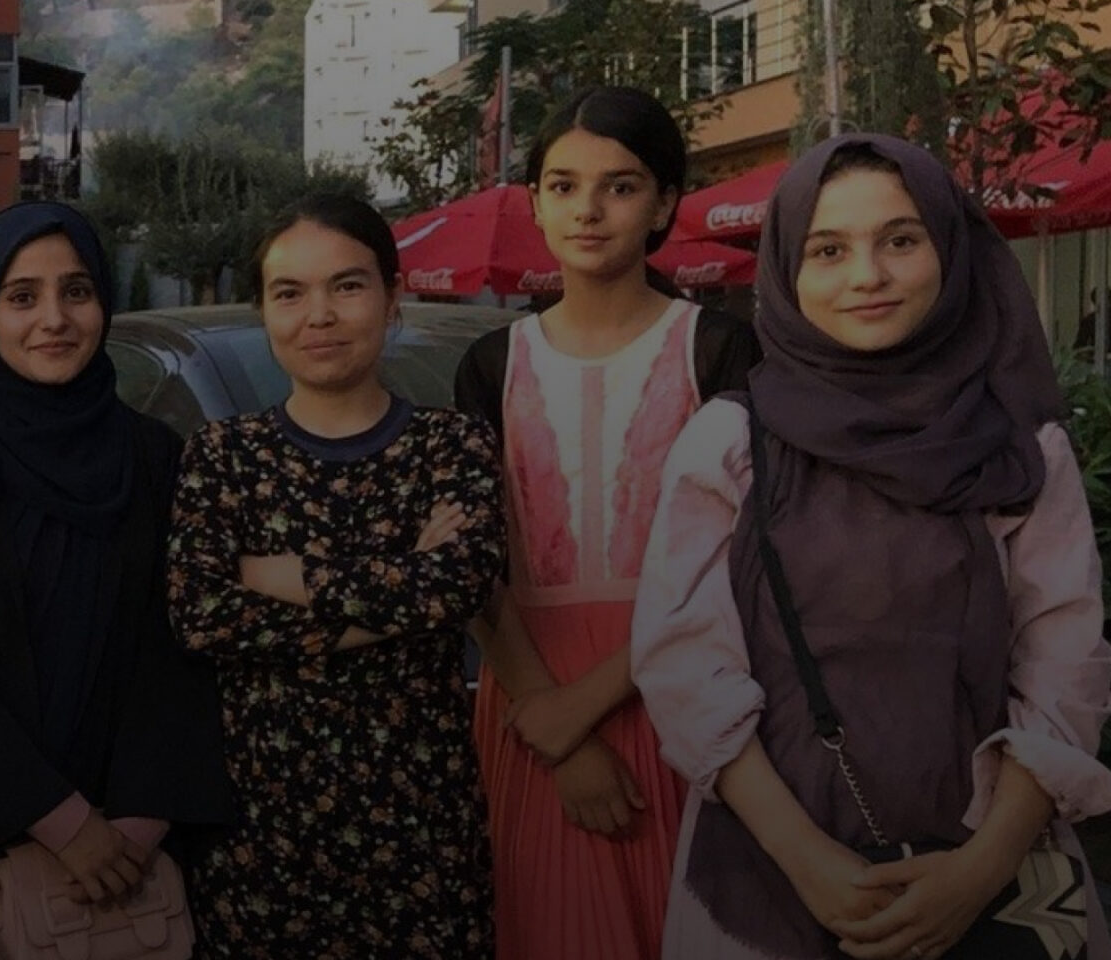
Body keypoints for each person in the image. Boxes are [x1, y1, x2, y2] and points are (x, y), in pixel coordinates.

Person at [634, 133, 1111, 960]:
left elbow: (1066, 662)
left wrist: (979, 870)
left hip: (999, 872)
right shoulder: (731, 444)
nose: (867, 276)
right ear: (786, 267)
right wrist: (813, 865)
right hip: (769, 873)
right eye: (828, 249)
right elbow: (684, 668)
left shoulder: (1021, 449)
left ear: (950, 248)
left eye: (900, 239)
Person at [0, 201, 231, 956]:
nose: (54, 318)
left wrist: (132, 828)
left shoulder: (154, 457)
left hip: (133, 860)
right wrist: (65, 824)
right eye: (22, 296)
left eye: (77, 290)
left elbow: (184, 649)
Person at [451, 84, 761, 960]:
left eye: (620, 186)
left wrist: (582, 708)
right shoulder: (490, 363)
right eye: (561, 184)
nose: (587, 209)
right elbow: (473, 562)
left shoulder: (719, 349)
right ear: (537, 202)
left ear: (665, 201)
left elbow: (743, 556)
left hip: (681, 689)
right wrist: (551, 721)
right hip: (525, 696)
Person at [168, 194, 501, 957]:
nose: (318, 314)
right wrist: (396, 584)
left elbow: (455, 588)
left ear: (393, 297)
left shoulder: (450, 445)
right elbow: (200, 614)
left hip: (422, 838)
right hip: (261, 845)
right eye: (290, 293)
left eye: (347, 286)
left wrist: (268, 570)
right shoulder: (224, 456)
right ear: (265, 310)